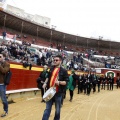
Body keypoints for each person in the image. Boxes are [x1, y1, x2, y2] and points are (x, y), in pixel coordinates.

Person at [42, 55, 69, 120]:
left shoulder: (64, 71)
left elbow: (66, 82)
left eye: (56, 60)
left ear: (60, 61)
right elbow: (48, 77)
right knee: (47, 108)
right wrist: (45, 83)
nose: (55, 61)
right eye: (54, 60)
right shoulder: (51, 68)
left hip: (58, 93)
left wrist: (59, 82)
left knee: (57, 110)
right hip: (50, 92)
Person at [0, 52, 10, 117]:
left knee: (3, 98)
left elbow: (4, 71)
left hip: (2, 84)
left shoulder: (7, 64)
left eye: (0, 56)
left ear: (4, 57)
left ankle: (5, 111)